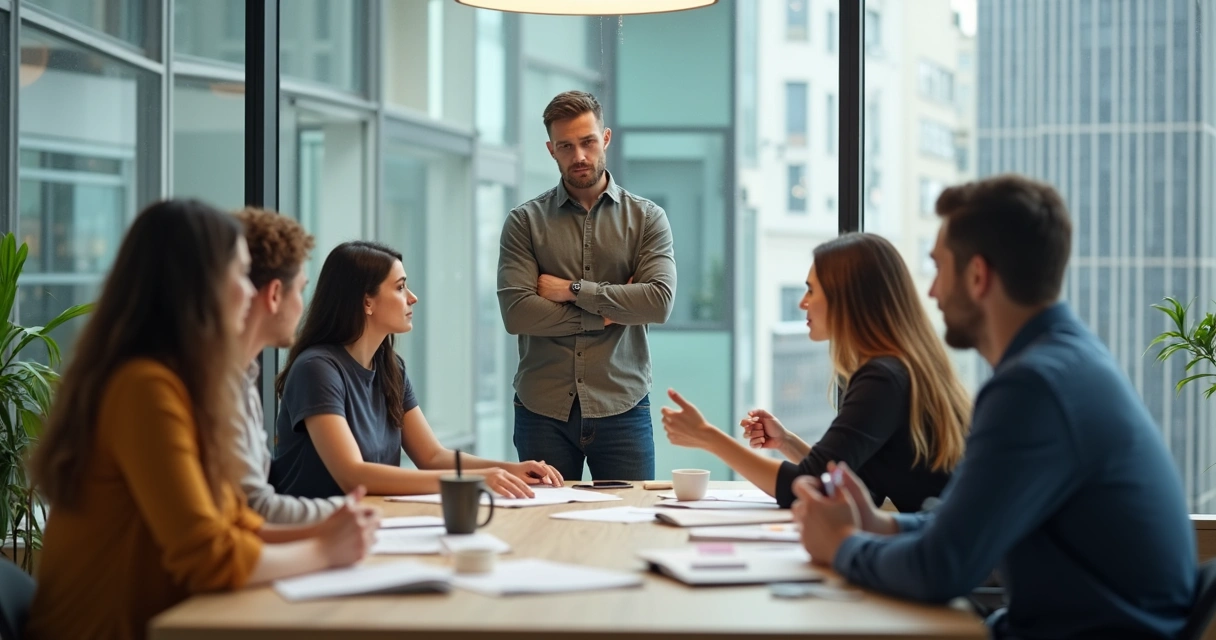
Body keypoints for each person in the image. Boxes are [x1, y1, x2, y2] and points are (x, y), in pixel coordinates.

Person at [791, 175, 1197, 639]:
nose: (932, 292)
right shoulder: (1069, 360)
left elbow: (942, 568)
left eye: (938, 268)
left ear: (978, 276)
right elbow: (960, 522)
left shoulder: (1032, 387)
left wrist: (842, 544)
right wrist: (879, 524)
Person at [26, 200, 379, 640]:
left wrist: (326, 531)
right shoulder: (145, 387)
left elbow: (235, 523)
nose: (252, 292)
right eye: (238, 273)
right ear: (197, 286)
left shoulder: (187, 384)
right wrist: (324, 548)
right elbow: (209, 559)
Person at [661, 233, 970, 511]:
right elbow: (852, 485)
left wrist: (708, 437)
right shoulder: (897, 367)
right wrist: (787, 443)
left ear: (846, 298)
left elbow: (809, 485)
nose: (802, 303)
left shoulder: (883, 377)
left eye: (811, 291)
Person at [271, 240, 563, 500]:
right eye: (399, 287)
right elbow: (353, 476)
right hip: (317, 528)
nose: (412, 298)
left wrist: (510, 469)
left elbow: (432, 456)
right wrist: (473, 480)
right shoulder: (316, 370)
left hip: (371, 522)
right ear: (366, 301)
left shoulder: (391, 367)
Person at [498, 90, 676, 481]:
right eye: (566, 146)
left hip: (623, 406)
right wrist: (609, 313)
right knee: (544, 530)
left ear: (606, 138)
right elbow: (518, 313)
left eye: (588, 142)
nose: (579, 156)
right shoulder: (524, 222)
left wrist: (573, 291)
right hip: (541, 411)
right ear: (551, 149)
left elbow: (657, 302)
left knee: (628, 529)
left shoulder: (647, 219)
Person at [230, 207, 343, 523]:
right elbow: (252, 511)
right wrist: (346, 517)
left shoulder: (242, 380)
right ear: (276, 294)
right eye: (302, 289)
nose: (303, 305)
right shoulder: (213, 388)